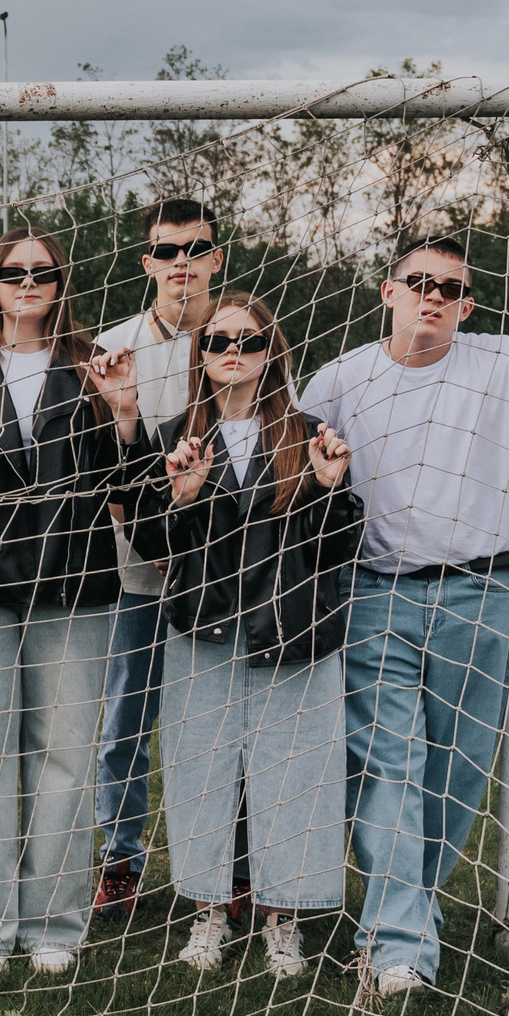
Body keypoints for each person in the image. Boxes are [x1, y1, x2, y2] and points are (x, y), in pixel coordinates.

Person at [298, 227, 509, 998]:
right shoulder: (340, 380)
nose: (432, 297)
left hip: (479, 593)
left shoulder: (502, 362)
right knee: (390, 768)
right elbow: (283, 464)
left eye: (450, 289)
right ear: (389, 293)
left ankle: (409, 906)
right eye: (419, 283)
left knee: (456, 776)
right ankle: (396, 946)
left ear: (466, 307)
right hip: (376, 595)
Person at [0, 227, 140, 976]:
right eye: (13, 272)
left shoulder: (94, 368)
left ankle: (53, 925)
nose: (28, 282)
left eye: (43, 271)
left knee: (65, 761)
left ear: (61, 282)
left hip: (74, 589)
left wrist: (125, 413)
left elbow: (128, 489)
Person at [127, 294, 362, 979]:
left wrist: (328, 488)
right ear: (200, 354)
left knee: (292, 775)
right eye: (220, 340)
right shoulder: (175, 436)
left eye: (250, 341)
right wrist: (180, 497)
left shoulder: (309, 434)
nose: (234, 351)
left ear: (272, 353)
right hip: (204, 630)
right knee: (202, 774)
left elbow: (337, 547)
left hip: (292, 630)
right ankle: (209, 913)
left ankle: (282, 920)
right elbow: (151, 545)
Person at [91, 198, 233, 922]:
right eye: (168, 250)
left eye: (196, 249)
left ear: (216, 258)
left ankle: (231, 868)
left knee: (221, 722)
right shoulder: (114, 347)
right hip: (136, 570)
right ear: (147, 262)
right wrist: (150, 538)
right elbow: (102, 466)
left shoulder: (240, 336)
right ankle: (121, 860)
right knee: (126, 719)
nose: (183, 263)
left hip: (226, 572)